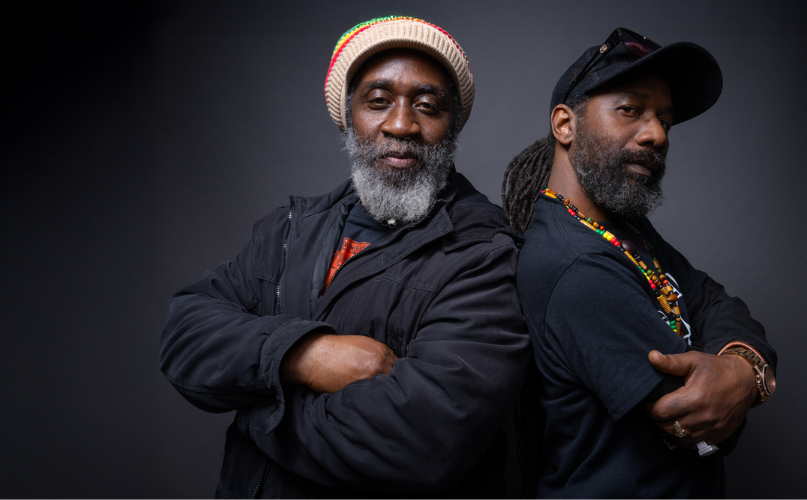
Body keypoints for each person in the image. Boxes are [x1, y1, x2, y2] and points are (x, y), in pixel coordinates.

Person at [160, 16, 530, 498]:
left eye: (428, 106)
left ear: (451, 126)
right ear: (348, 115)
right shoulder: (289, 229)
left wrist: (254, 405)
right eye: (378, 102)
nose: (402, 124)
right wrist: (303, 356)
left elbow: (418, 442)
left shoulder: (483, 255)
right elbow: (185, 334)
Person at [502, 28, 777, 498]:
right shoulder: (575, 265)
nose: (656, 135)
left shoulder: (619, 228)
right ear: (565, 124)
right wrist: (751, 377)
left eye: (665, 121)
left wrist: (740, 366)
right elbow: (703, 425)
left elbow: (712, 298)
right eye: (630, 110)